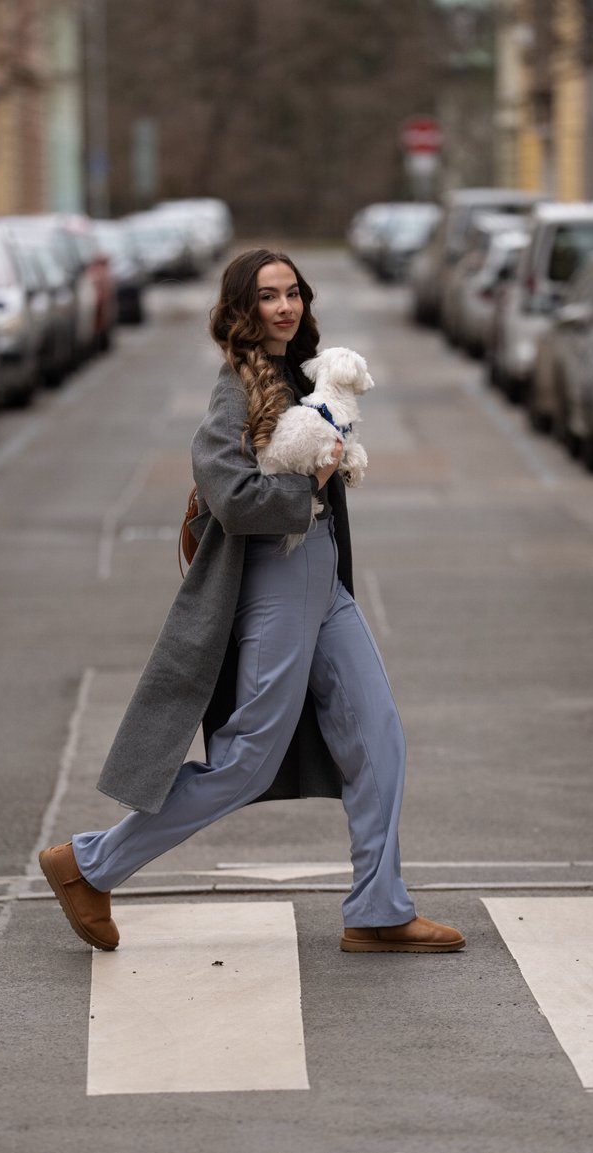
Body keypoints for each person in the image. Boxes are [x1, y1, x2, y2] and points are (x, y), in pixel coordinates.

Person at [39, 248, 464, 956]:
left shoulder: (300, 373)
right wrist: (312, 481)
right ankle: (90, 864)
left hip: (320, 574)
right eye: (268, 296)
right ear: (243, 309)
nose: (285, 306)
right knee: (248, 758)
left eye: (293, 292)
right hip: (274, 577)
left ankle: (379, 906)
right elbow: (231, 497)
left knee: (380, 736)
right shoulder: (233, 388)